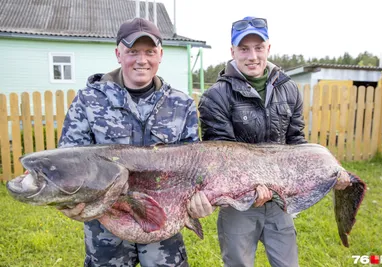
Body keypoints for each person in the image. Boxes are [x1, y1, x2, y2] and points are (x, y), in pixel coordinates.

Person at [188, 16, 351, 267]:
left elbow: (296, 141)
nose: (252, 56)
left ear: (268, 49)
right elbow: (221, 156)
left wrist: (327, 172)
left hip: (279, 200)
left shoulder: (289, 89)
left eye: (258, 47)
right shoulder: (215, 96)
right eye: (244, 48)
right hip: (238, 204)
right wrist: (250, 188)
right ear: (232, 51)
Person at [58, 18, 199, 267]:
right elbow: (68, 160)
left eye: (149, 52)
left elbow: (194, 165)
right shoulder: (89, 101)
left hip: (162, 224)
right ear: (118, 54)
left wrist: (197, 199)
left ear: (160, 55)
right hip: (106, 225)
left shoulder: (181, 104)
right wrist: (71, 200)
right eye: (132, 51)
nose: (141, 60)